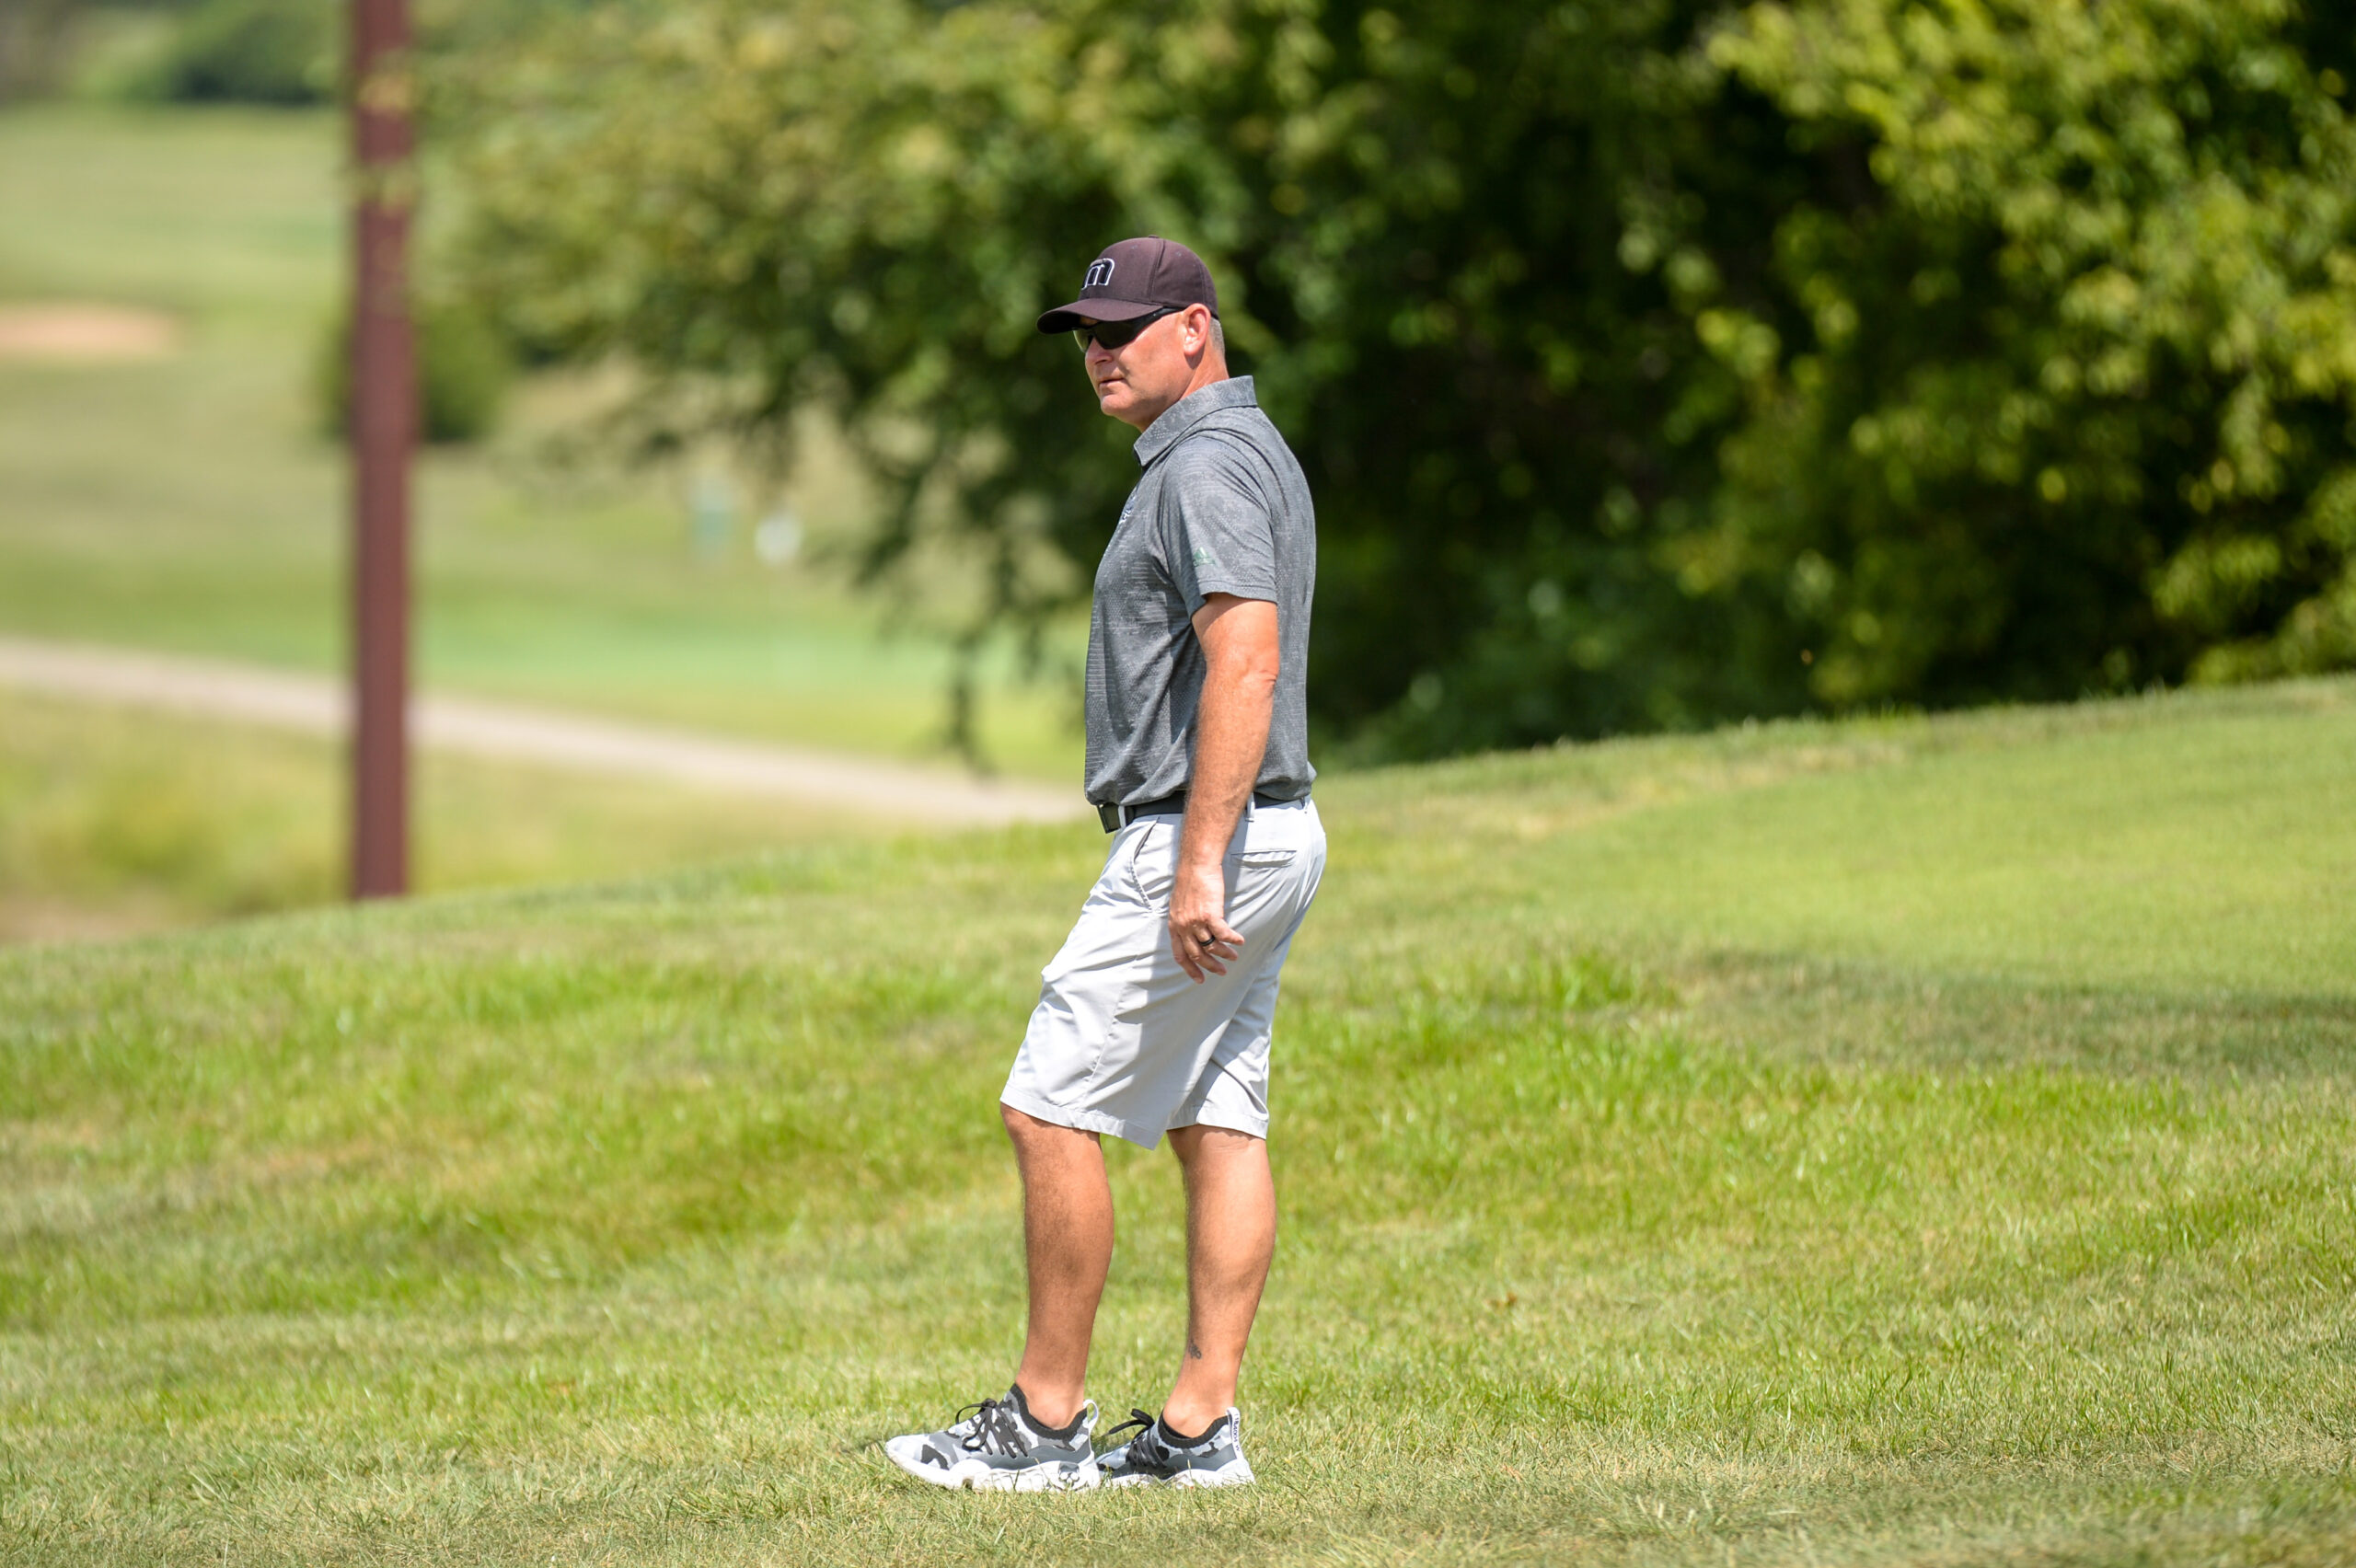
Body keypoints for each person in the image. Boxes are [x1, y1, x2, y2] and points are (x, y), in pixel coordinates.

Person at [885, 237, 1323, 1492]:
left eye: (1122, 329)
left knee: (1047, 1107)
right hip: (1274, 826)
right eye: (1086, 334)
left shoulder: (1203, 468)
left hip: (1206, 832)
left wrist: (1197, 862)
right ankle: (1197, 1429)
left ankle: (1045, 1424)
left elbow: (1245, 659)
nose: (1097, 353)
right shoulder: (1248, 450)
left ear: (1195, 329)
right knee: (1216, 1117)